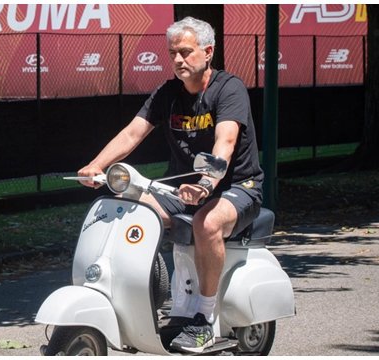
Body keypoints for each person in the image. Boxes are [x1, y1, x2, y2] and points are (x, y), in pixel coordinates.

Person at [78, 16, 263, 354]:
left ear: (208, 52)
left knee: (206, 224)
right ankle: (149, 296)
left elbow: (226, 140)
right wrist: (96, 165)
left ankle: (203, 319)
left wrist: (207, 182)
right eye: (172, 53)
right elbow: (132, 133)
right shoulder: (168, 93)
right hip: (184, 191)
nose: (177, 60)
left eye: (186, 52)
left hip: (238, 187)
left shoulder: (228, 88)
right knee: (135, 211)